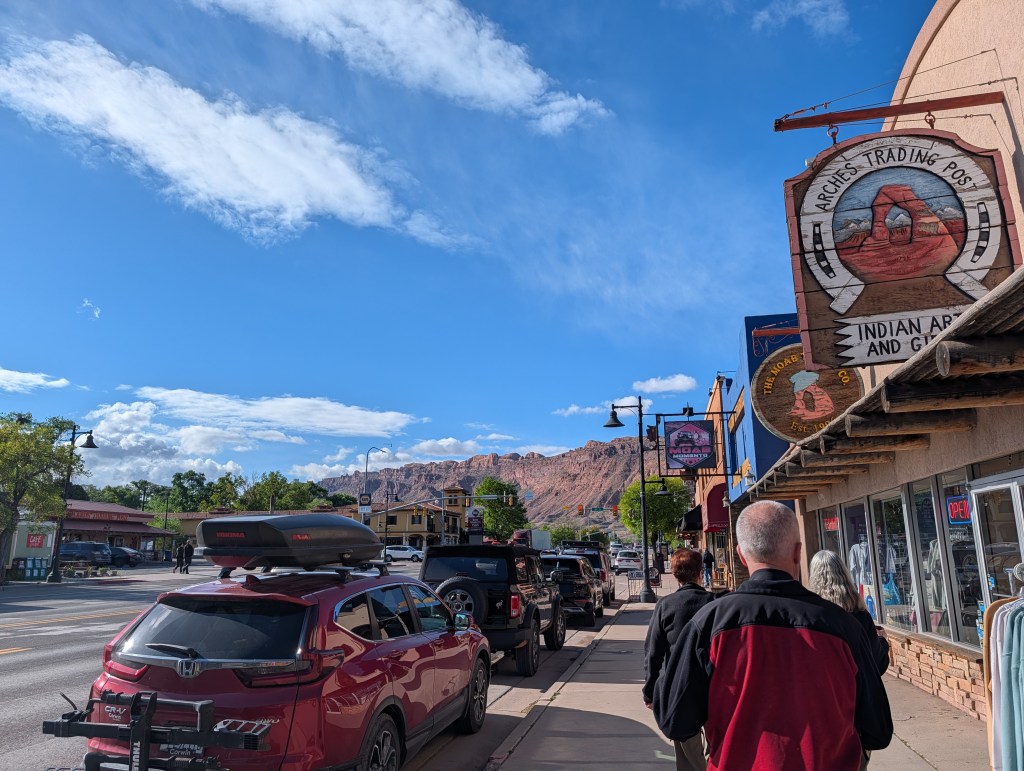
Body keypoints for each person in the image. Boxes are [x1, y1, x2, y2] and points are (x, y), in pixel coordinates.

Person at [653, 501, 892, 771]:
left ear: (741, 555)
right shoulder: (843, 627)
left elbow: (675, 721)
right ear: (797, 552)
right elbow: (878, 731)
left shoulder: (708, 624)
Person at [644, 549, 716, 770]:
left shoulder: (666, 605)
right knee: (716, 745)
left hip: (680, 685)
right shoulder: (714, 602)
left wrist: (650, 691)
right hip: (714, 684)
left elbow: (653, 653)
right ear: (699, 574)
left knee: (686, 751)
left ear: (675, 575)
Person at [808, 549, 890, 675]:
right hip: (858, 690)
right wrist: (882, 641)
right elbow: (877, 664)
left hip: (828, 690)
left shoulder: (810, 616)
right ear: (844, 573)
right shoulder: (860, 616)